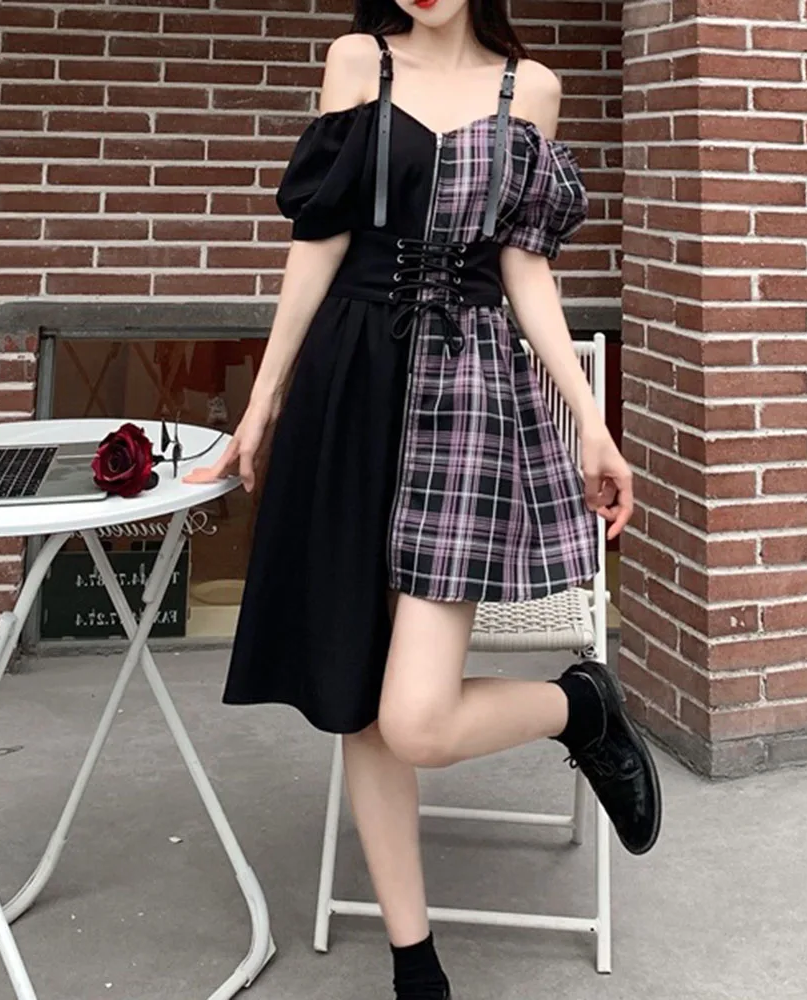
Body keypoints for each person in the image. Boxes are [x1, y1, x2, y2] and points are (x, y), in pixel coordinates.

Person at [186, 2, 662, 996]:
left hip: (466, 399)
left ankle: (577, 706)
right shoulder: (357, 61)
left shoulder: (530, 89)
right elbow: (318, 242)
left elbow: (524, 269)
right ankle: (415, 963)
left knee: (417, 719)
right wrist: (262, 404)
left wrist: (591, 421)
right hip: (348, 385)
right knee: (357, 698)